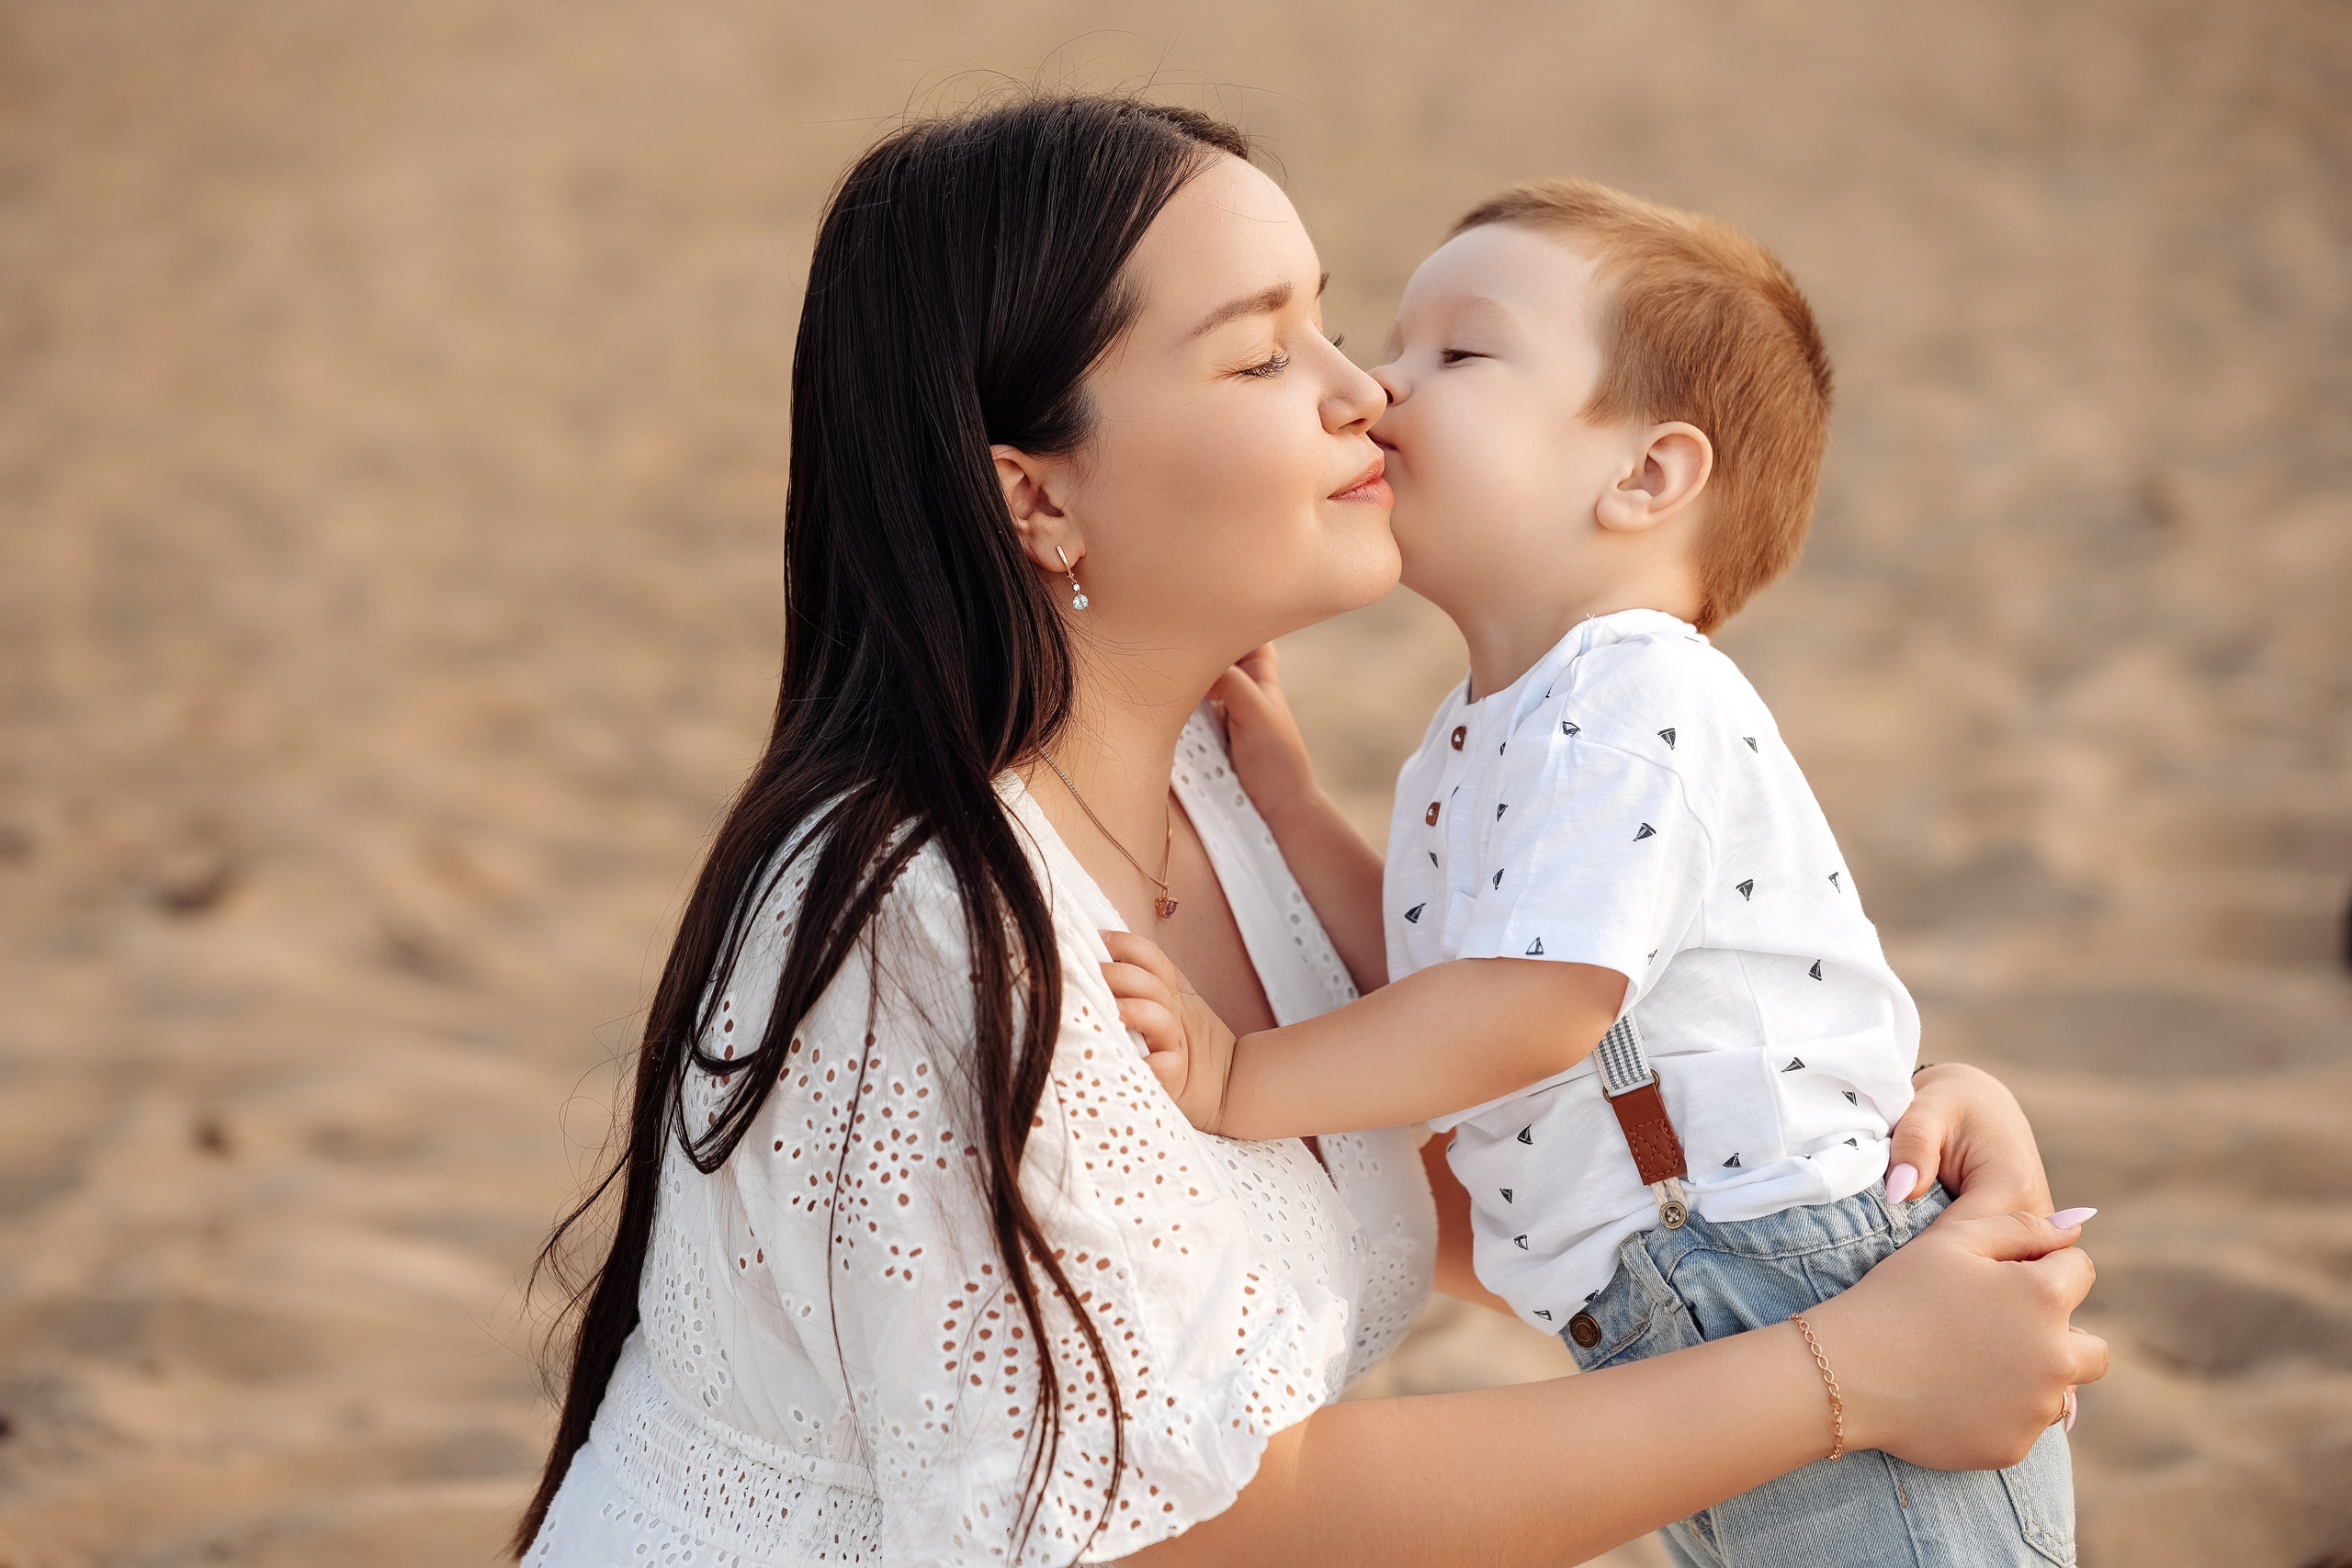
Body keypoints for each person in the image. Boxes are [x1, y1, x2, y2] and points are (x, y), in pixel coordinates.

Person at [514, 96, 2106, 1568]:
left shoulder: (1211, 783)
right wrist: (1853, 1374)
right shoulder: (923, 918)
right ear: (1038, 499)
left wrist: (1893, 1180)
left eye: (1333, 324)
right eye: (1265, 354)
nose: (1369, 394)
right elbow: (1181, 1537)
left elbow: (1504, 1165)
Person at [1104, 177, 2083, 1567]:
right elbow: (1432, 995)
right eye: (1401, 341)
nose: (1382, 383)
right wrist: (1289, 805)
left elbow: (1536, 1011)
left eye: (1460, 353)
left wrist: (1238, 1080)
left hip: (1779, 1271)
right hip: (1687, 1309)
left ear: (1646, 475)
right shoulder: (1489, 726)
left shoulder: (1635, 690)